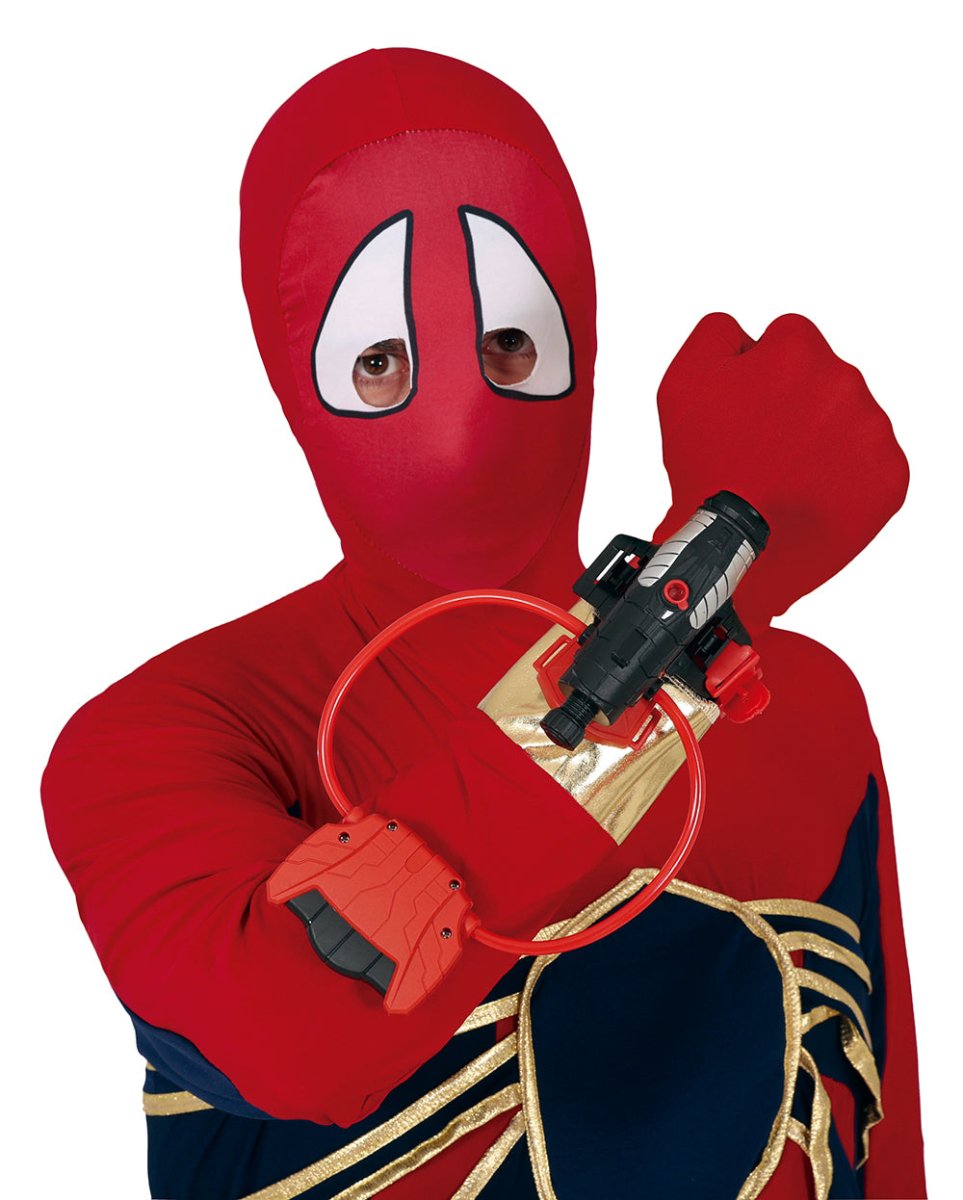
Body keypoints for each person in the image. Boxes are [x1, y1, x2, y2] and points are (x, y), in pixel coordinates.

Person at [41, 47, 925, 1199]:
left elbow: (880, 1131)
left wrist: (694, 607)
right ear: (290, 375)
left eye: (511, 341)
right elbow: (287, 1031)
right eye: (379, 360)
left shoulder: (808, 713)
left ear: (583, 334)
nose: (460, 415)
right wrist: (691, 616)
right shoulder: (162, 737)